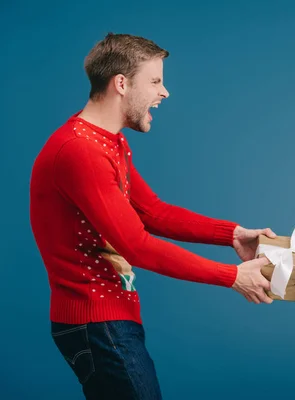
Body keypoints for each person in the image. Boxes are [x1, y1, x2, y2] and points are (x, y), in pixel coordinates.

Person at [29, 33, 275, 400]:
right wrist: (233, 276)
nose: (165, 93)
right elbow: (137, 246)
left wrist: (232, 234)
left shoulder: (109, 141)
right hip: (97, 322)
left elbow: (151, 212)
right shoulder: (80, 151)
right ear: (122, 84)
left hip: (110, 319)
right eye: (156, 81)